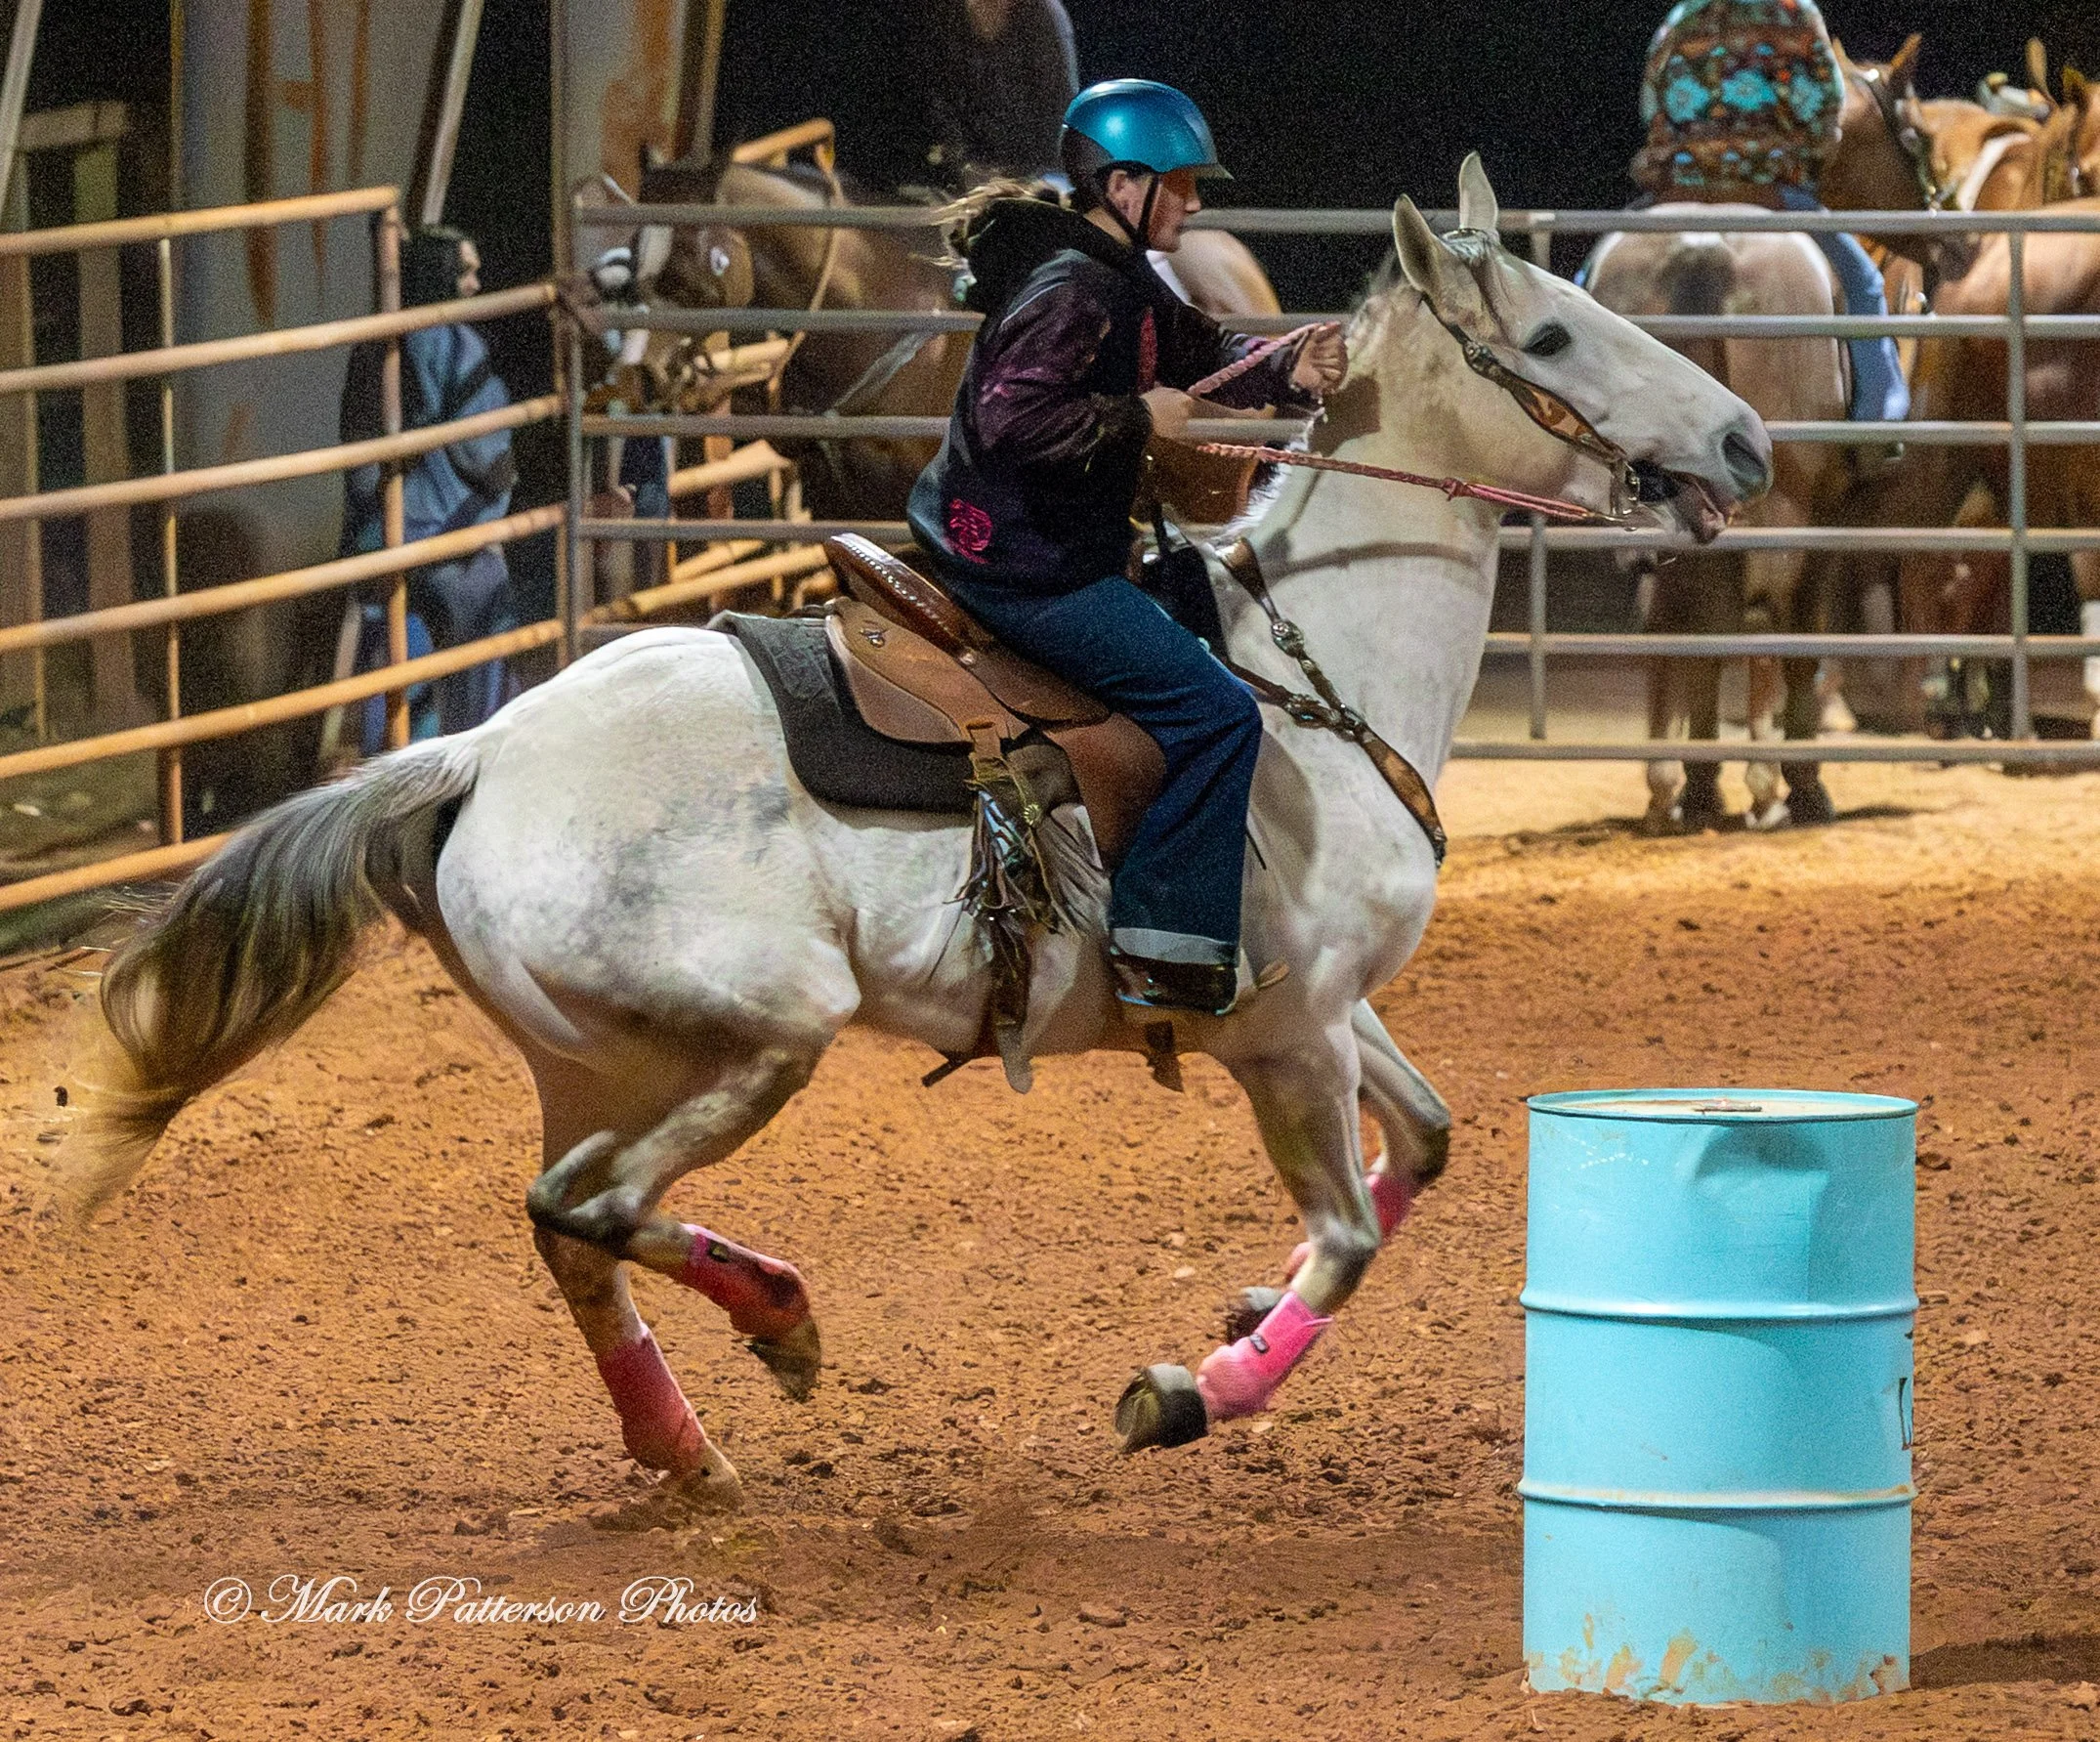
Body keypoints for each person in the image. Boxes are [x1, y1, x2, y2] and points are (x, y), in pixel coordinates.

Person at [904, 79, 1346, 1017]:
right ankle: (1164, 947)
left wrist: (1282, 366)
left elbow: (1194, 345)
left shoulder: (1109, 271)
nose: (1196, 202)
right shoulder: (1073, 287)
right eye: (1182, 184)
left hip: (1029, 545)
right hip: (1025, 567)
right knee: (1220, 712)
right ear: (1124, 183)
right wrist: (1136, 414)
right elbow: (1011, 416)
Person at [1621, 0, 1909, 429]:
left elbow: (1651, 99)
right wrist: (1810, 158)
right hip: (1768, 192)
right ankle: (1880, 418)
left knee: (1590, 281)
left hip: (1679, 187)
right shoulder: (1796, 14)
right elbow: (1827, 105)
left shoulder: (1683, 17)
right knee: (1864, 283)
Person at [338, 224, 519, 744]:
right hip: (448, 539)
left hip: (379, 535)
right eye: (466, 272)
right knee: (487, 629)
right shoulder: (454, 343)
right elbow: (485, 450)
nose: (476, 284)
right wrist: (498, 508)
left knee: (395, 660)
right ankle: (479, 755)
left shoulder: (372, 344)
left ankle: (392, 774)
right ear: (441, 276)